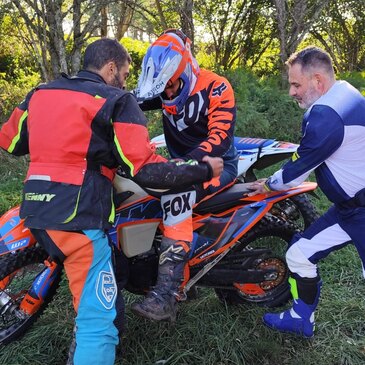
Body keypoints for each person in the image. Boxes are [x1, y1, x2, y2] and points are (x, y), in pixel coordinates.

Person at [0, 38, 223, 364]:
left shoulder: (40, 94)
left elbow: (11, 141)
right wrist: (199, 169)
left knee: (104, 281)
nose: (126, 81)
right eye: (125, 73)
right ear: (110, 68)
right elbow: (144, 169)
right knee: (97, 326)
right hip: (80, 217)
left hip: (36, 207)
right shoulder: (117, 100)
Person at [248, 46, 365, 338]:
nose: (291, 92)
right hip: (349, 209)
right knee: (299, 254)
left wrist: (265, 184)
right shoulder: (345, 91)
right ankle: (301, 318)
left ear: (317, 81)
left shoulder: (326, 115)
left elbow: (293, 173)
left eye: (296, 84)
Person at [131, 29, 238, 322]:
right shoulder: (163, 87)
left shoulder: (216, 87)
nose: (167, 93)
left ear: (187, 70)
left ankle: (167, 293)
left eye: (172, 85)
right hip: (183, 165)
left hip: (217, 164)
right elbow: (128, 102)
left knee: (174, 198)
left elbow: (220, 138)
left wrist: (181, 169)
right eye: (162, 88)